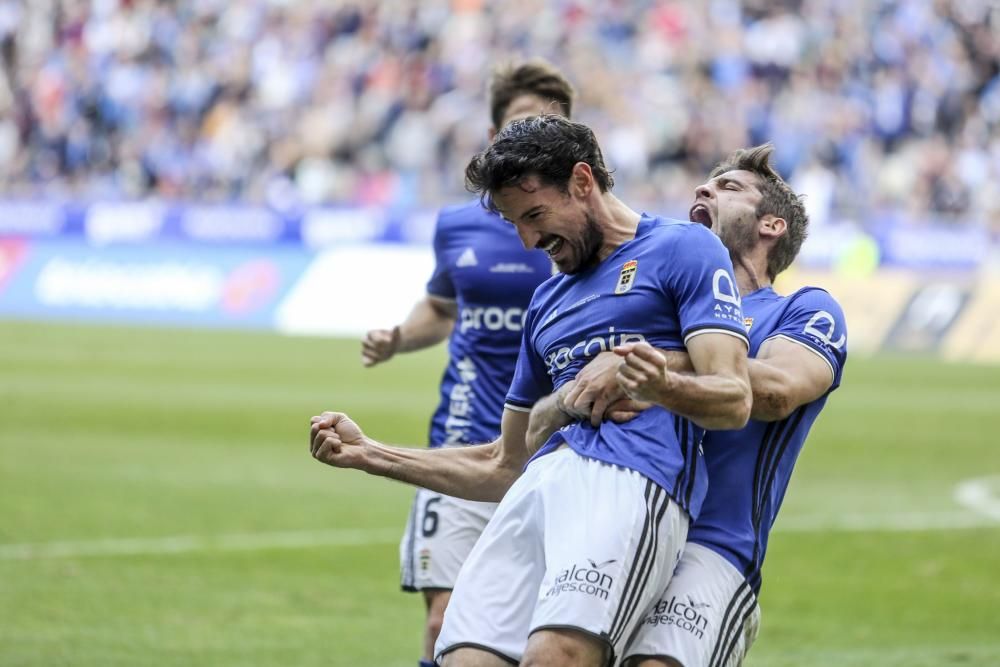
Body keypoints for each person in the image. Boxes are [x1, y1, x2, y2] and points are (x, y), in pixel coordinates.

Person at [310, 115, 753, 667]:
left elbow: (734, 399)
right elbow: (504, 463)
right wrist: (368, 453)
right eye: (515, 224)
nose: (527, 240)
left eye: (535, 215)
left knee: (555, 657)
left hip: (630, 481)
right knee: (463, 657)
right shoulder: (545, 303)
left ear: (583, 181)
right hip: (535, 492)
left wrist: (658, 382)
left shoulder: (683, 249)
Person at [543, 144, 848, 667]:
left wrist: (669, 364)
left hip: (713, 544)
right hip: (617, 519)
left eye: (728, 187)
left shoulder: (804, 309)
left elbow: (776, 389)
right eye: (706, 183)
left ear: (771, 225)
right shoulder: (659, 302)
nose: (703, 189)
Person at [357, 60, 575, 667]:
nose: (535, 135)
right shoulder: (456, 225)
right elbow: (441, 307)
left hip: (552, 448)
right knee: (444, 620)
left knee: (540, 631)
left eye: (550, 124)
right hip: (461, 436)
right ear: (495, 136)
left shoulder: (586, 228)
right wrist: (399, 338)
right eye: (523, 122)